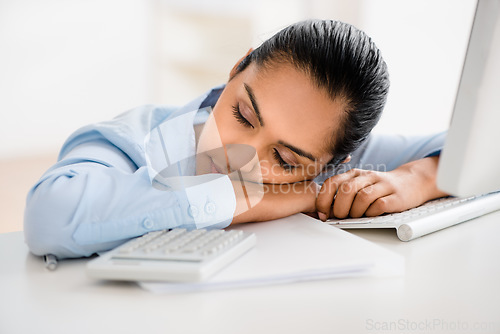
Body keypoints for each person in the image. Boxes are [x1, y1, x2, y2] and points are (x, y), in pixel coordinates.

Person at [24, 19, 447, 259]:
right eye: (243, 115)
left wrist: (419, 178)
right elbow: (49, 217)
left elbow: (482, 149)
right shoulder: (130, 140)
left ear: (334, 162)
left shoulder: (339, 163)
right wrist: (243, 197)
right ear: (237, 68)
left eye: (284, 160)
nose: (238, 156)